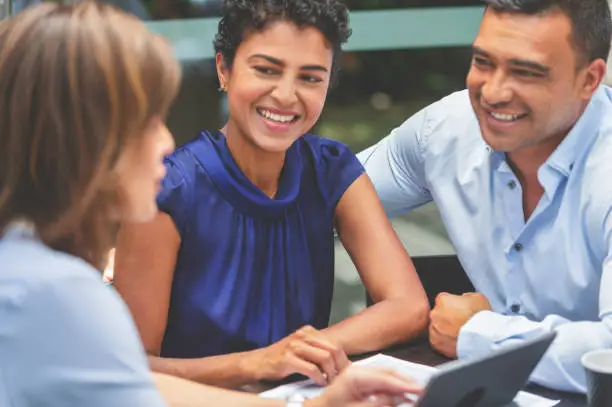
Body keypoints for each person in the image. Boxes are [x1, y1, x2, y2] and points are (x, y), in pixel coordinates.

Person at [0, 2, 423, 406]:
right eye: (145, 122)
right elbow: (135, 377)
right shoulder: (58, 288)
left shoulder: (38, 271)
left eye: (311, 77)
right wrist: (262, 367)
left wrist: (305, 371)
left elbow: (130, 384)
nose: (166, 140)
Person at [113, 0, 429, 390]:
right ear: (223, 69)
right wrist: (260, 364)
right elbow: (130, 369)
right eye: (266, 70)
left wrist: (306, 350)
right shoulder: (169, 191)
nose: (285, 95)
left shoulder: (331, 168)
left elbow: (408, 306)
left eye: (311, 78)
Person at [357, 0, 612, 394]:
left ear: (590, 80)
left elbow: (608, 354)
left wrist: (477, 333)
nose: (493, 92)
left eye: (526, 72)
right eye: (483, 62)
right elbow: (328, 195)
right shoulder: (447, 130)